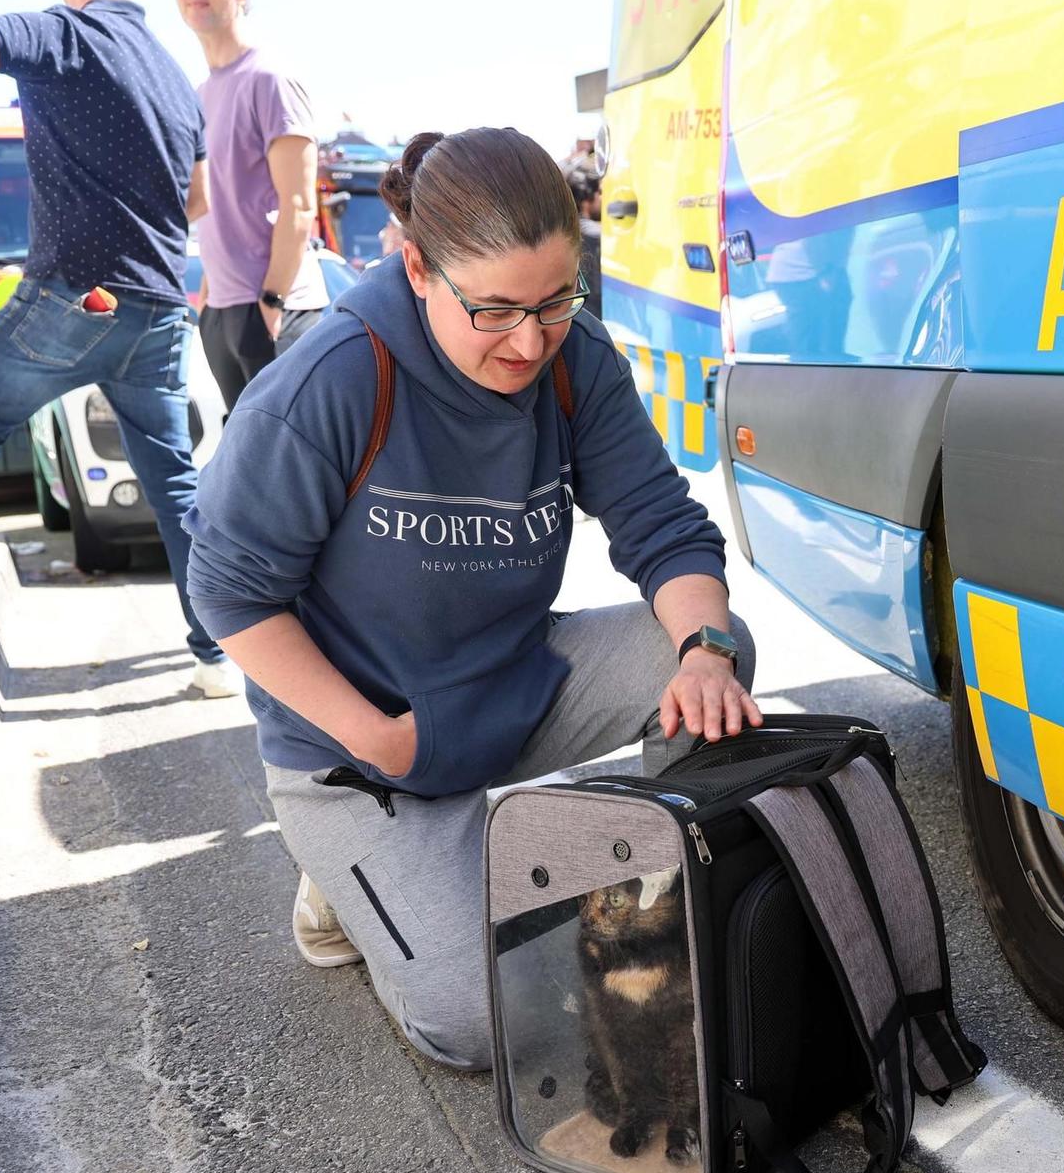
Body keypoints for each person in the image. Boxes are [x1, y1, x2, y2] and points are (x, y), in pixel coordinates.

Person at [184, 129, 760, 1070]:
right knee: (490, 1026)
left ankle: (647, 881)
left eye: (555, 302)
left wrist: (706, 648)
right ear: (417, 266)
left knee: (712, 655)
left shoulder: (577, 360)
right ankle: (343, 875)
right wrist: (374, 737)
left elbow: (665, 528)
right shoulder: (335, 377)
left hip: (514, 688)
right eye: (493, 311)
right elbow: (228, 590)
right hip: (372, 747)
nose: (528, 342)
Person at [0, 0, 240, 698]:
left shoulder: (68, 34)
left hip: (79, 295)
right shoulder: (169, 72)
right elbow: (200, 198)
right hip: (156, 305)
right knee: (175, 483)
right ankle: (216, 655)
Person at [175, 0, 327, 411]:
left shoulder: (271, 79)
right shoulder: (197, 95)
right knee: (248, 468)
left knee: (294, 467)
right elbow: (214, 204)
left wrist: (272, 300)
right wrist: (209, 298)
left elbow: (298, 204)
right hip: (222, 312)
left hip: (278, 309)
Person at [566, 160, 602, 319]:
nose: (603, 198)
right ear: (587, 198)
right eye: (599, 192)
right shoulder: (599, 236)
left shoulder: (559, 235)